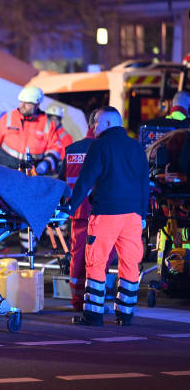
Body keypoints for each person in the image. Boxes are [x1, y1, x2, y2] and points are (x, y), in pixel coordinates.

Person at [66, 106, 149, 326]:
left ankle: (93, 315)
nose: (94, 126)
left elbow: (85, 181)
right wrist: (143, 214)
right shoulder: (136, 147)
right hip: (133, 216)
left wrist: (70, 207)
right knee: (130, 263)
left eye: (97, 122)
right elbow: (144, 183)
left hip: (107, 213)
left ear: (109, 123)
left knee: (96, 261)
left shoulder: (99, 146)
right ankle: (126, 314)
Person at [59, 109, 116, 311]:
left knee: (78, 256)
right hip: (102, 212)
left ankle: (77, 300)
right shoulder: (107, 148)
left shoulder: (72, 149)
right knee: (101, 257)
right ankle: (94, 300)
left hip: (78, 213)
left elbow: (62, 182)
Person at [0, 86, 63, 175]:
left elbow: (56, 148)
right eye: (21, 102)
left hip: (32, 174)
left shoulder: (47, 124)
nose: (22, 106)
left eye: (27, 103)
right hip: (6, 170)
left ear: (37, 105)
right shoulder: (9, 118)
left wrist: (46, 164)